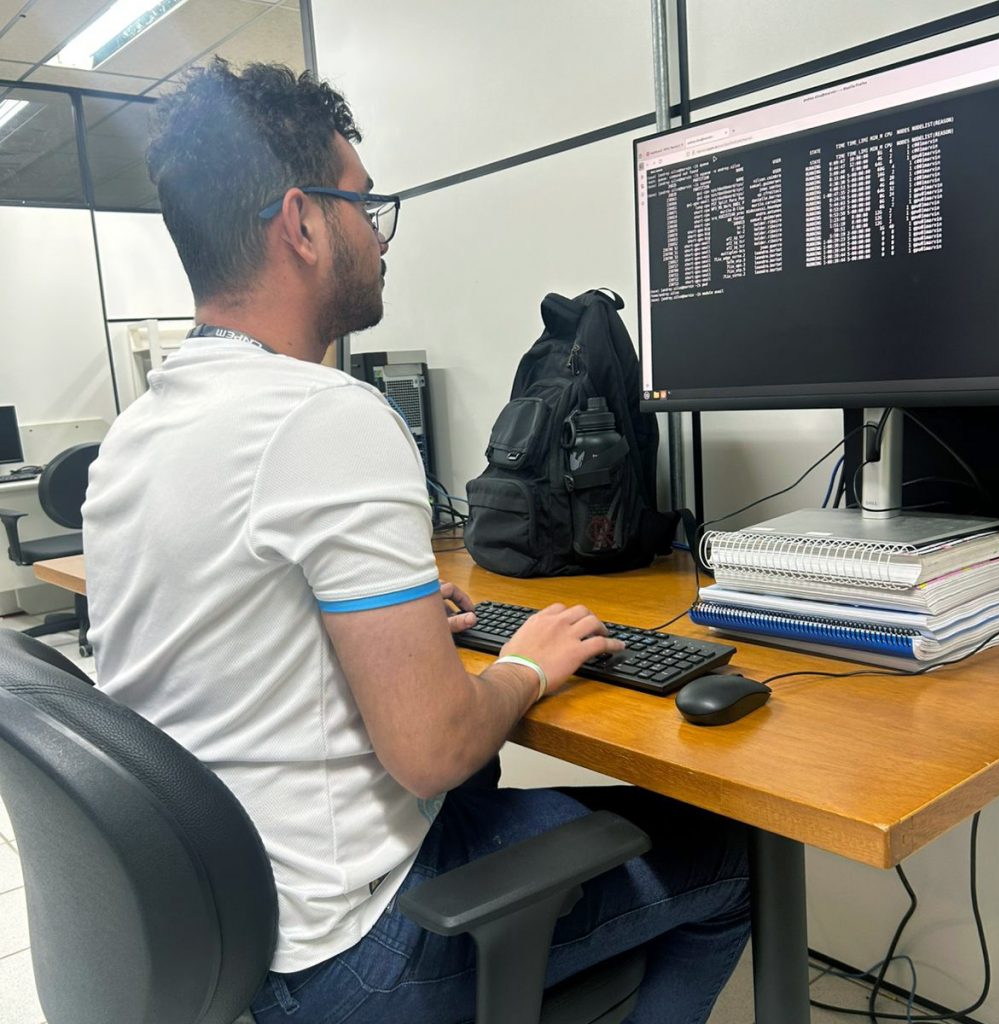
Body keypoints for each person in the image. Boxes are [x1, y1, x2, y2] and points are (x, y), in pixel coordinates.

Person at [81, 60, 750, 1023]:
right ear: (302, 224)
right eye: (365, 204)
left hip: (217, 933)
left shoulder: (137, 434)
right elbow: (433, 751)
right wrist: (525, 665)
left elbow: (220, 630)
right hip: (343, 953)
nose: (380, 237)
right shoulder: (324, 417)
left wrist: (375, 623)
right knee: (723, 855)